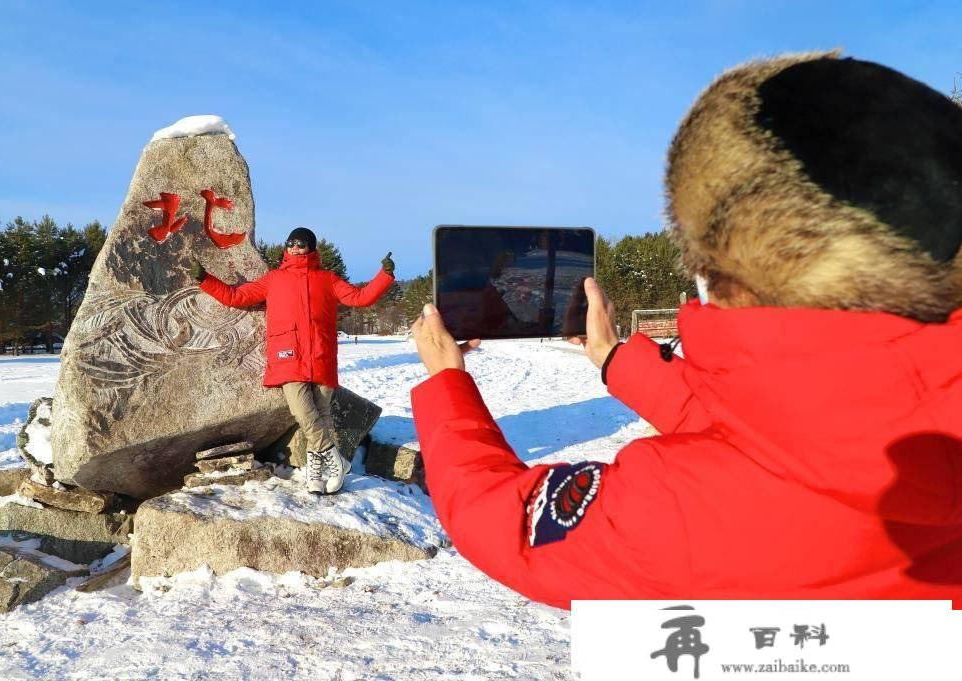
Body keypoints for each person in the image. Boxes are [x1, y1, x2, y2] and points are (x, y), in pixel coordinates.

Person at [409, 52, 962, 608]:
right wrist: (616, 360)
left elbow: (504, 519)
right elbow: (798, 424)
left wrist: (448, 385)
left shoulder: (679, 513)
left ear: (714, 267)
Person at [194, 227, 395, 494]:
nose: (295, 248)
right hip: (288, 356)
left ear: (311, 247)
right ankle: (334, 459)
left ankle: (316, 476)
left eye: (301, 244)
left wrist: (385, 276)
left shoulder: (328, 279)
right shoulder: (274, 279)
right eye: (291, 243)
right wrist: (205, 279)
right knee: (303, 412)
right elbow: (237, 296)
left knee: (321, 416)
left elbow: (359, 298)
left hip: (321, 355)